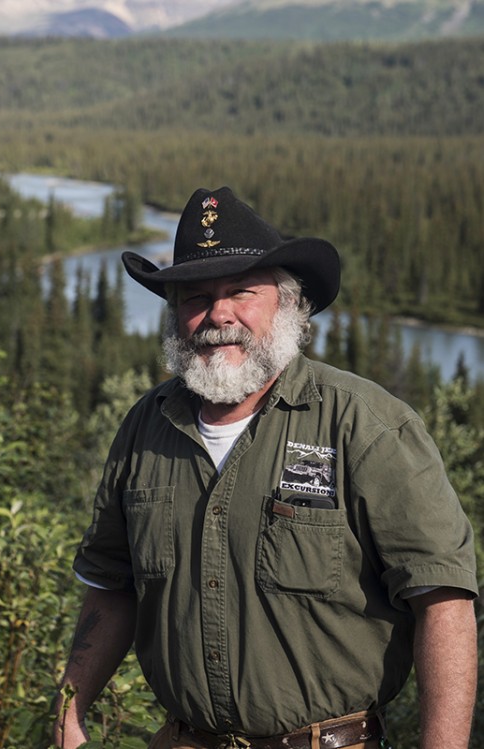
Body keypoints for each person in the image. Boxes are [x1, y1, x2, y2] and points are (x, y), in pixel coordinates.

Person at [52, 186, 478, 749]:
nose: (217, 315)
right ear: (175, 313)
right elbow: (112, 586)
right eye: (195, 296)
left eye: (241, 291)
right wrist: (69, 717)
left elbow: (443, 602)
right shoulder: (144, 427)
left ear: (289, 305)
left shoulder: (366, 425)